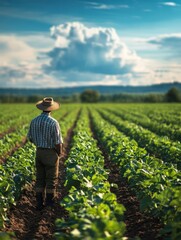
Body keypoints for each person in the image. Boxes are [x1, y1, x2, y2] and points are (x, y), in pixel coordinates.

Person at [27, 97, 63, 210]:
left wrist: (39, 143)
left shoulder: (34, 121)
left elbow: (30, 138)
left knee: (40, 178)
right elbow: (58, 142)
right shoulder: (53, 122)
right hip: (50, 153)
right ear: (51, 109)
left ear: (42, 108)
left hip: (39, 152)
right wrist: (59, 153)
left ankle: (38, 203)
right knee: (51, 179)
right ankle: (49, 203)